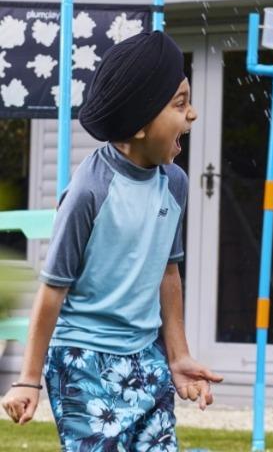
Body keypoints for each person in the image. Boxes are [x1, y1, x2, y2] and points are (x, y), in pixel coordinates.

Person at [1, 30, 222, 451]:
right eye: (180, 104)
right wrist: (29, 379)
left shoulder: (174, 184)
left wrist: (177, 356)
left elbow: (168, 273)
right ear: (139, 124)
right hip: (82, 358)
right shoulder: (90, 190)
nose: (192, 114)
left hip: (145, 354)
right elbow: (52, 289)